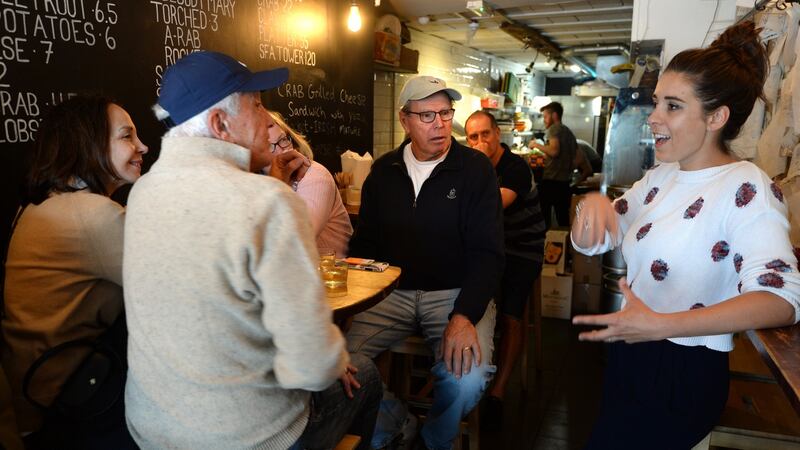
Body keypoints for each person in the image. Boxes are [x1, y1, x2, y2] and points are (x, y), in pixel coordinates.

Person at [123, 51, 380, 449]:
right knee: (366, 374)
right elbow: (311, 369)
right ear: (220, 124)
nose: (268, 120)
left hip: (151, 431)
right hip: (248, 439)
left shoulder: (142, 193)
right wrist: (331, 358)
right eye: (257, 106)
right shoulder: (267, 201)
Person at [570, 22, 800, 449]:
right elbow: (595, 240)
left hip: (683, 367)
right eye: (657, 102)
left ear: (716, 117)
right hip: (632, 353)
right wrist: (591, 209)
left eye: (673, 106)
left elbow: (781, 300)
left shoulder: (746, 186)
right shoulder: (661, 177)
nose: (654, 117)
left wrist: (661, 325)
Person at [347, 75, 504, 450]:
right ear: (405, 120)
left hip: (456, 293)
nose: (441, 124)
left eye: (446, 113)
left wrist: (464, 316)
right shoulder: (383, 172)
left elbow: (488, 253)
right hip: (391, 294)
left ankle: (433, 441)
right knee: (331, 362)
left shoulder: (475, 170)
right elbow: (365, 244)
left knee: (468, 379)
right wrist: (354, 300)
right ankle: (396, 425)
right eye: (428, 115)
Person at [2, 95, 147, 448]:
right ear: (88, 144)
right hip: (67, 407)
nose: (143, 146)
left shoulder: (46, 202)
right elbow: (174, 288)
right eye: (126, 136)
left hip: (34, 400)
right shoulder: (91, 215)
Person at [465, 110, 546, 430]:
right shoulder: (470, 168)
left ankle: (497, 392)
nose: (480, 141)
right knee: (465, 298)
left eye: (485, 134)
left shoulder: (516, 167)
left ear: (497, 134)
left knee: (511, 314)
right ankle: (463, 373)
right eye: (473, 137)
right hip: (488, 249)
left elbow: (494, 206)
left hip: (522, 249)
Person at [265, 111, 353, 258]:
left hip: (332, 270)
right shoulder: (254, 181)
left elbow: (296, 242)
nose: (283, 150)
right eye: (269, 146)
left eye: (283, 140)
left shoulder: (315, 175)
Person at [529, 101, 578, 228]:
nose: (544, 120)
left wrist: (535, 145)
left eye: (545, 116)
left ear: (554, 115)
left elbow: (554, 151)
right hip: (565, 182)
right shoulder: (568, 132)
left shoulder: (554, 129)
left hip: (551, 182)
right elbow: (574, 159)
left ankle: (546, 240)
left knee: (544, 219)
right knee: (563, 219)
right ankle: (563, 240)